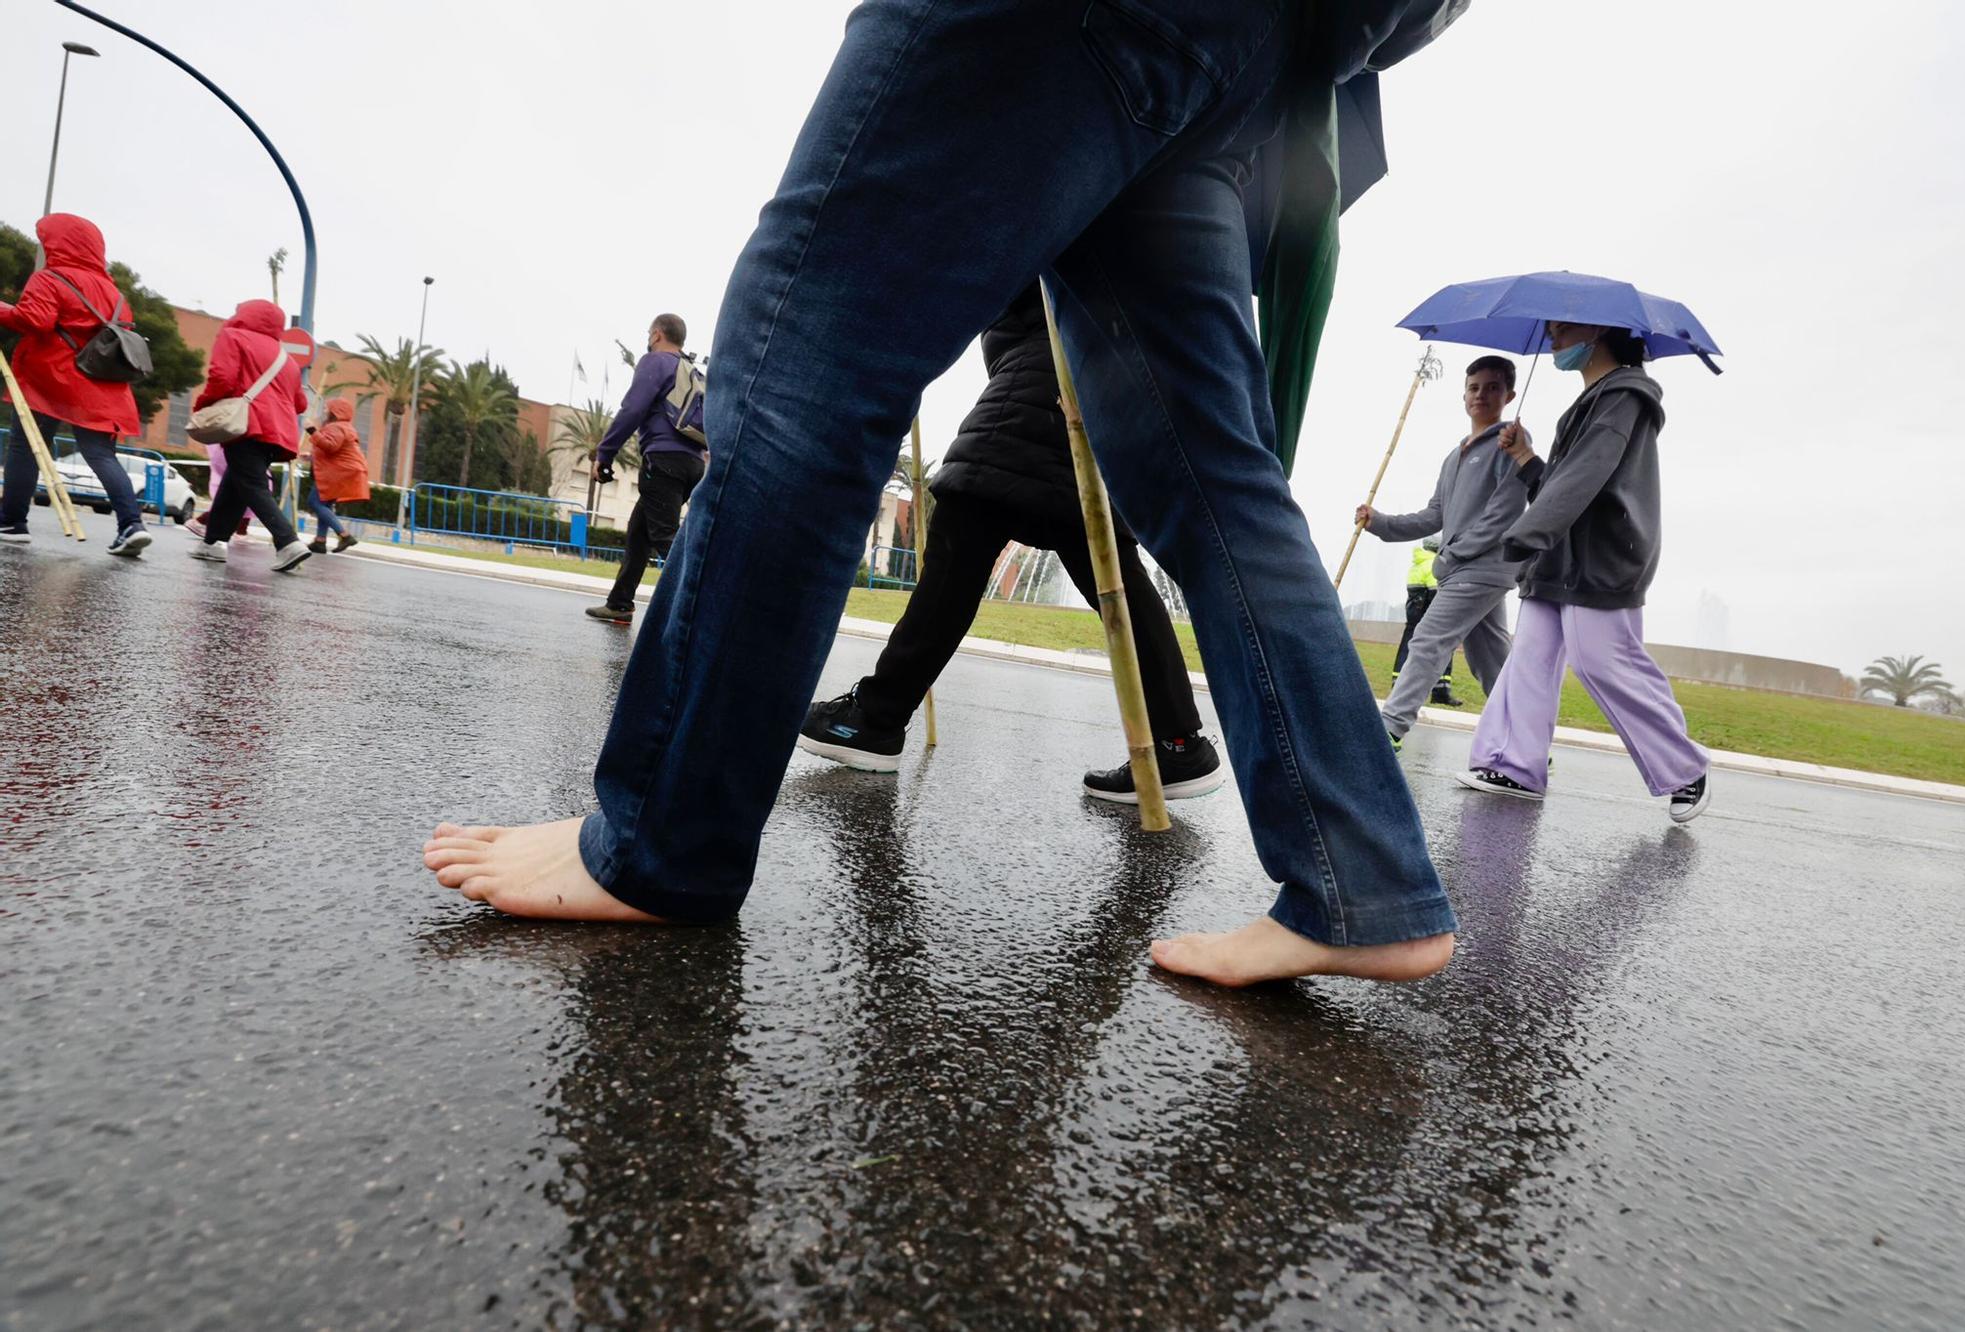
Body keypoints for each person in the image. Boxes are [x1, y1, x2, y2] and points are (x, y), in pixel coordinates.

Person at [424, 1, 1467, 990]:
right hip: (1249, 53)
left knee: (804, 352)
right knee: (1212, 471)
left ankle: (661, 840)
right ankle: (1361, 880)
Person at [797, 285, 1224, 802]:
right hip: (1092, 390)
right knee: (1110, 573)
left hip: (1046, 382)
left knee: (964, 530)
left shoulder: (1060, 222)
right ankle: (1178, 743)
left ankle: (875, 718)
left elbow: (1000, 276)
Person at [1458, 321, 1711, 823]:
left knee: (1602, 660)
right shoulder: (1593, 398)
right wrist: (1526, 457)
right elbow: (1561, 482)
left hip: (1602, 554)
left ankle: (1685, 769)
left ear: (1595, 332)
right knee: (1529, 658)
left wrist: (1528, 530)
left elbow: (1585, 475)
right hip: (1560, 554)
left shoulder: (1624, 395)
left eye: (1561, 329)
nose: (1552, 338)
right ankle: (1516, 767)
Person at [1357, 355, 1528, 750]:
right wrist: (1379, 522)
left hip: (1480, 568)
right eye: (1474, 387)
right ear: (1464, 395)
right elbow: (1435, 515)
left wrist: (1452, 555)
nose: (1481, 395)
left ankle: (1391, 728)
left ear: (1510, 394)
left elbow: (1503, 516)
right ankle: (1528, 742)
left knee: (1428, 639)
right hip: (1466, 569)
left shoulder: (1512, 444)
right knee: (1492, 662)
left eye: (1492, 387)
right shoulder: (1455, 456)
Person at [0, 213, 151, 556]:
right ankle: (131, 524)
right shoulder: (115, 292)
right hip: (102, 382)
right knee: (101, 454)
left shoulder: (49, 278)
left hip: (51, 378)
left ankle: (13, 522)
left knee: (26, 448)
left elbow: (34, 320)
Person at [583, 314, 707, 625]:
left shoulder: (656, 361)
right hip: (692, 464)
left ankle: (705, 612)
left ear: (656, 335)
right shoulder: (691, 370)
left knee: (665, 537)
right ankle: (620, 603)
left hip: (664, 461)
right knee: (640, 533)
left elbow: (633, 409)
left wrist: (605, 453)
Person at [186, 299, 312, 572]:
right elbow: (300, 403)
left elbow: (222, 377)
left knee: (251, 485)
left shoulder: (233, 336)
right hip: (279, 434)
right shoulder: (285, 358)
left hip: (247, 425)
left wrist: (204, 406)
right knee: (236, 485)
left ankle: (288, 542)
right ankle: (212, 542)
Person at [1391, 537, 1459, 708]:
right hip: (1429, 606)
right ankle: (1441, 690)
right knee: (1444, 642)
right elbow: (1437, 592)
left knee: (1408, 644)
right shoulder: (1433, 563)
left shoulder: (1417, 562)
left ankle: (1397, 683)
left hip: (1414, 608)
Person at [302, 397, 367, 554]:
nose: (325, 411)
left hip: (336, 473)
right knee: (324, 505)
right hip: (342, 471)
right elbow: (335, 451)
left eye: (327, 408)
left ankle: (344, 535)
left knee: (315, 503)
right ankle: (320, 541)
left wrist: (312, 430)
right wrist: (311, 457)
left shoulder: (336, 427)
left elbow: (330, 446)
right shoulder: (343, 427)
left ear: (336, 412)